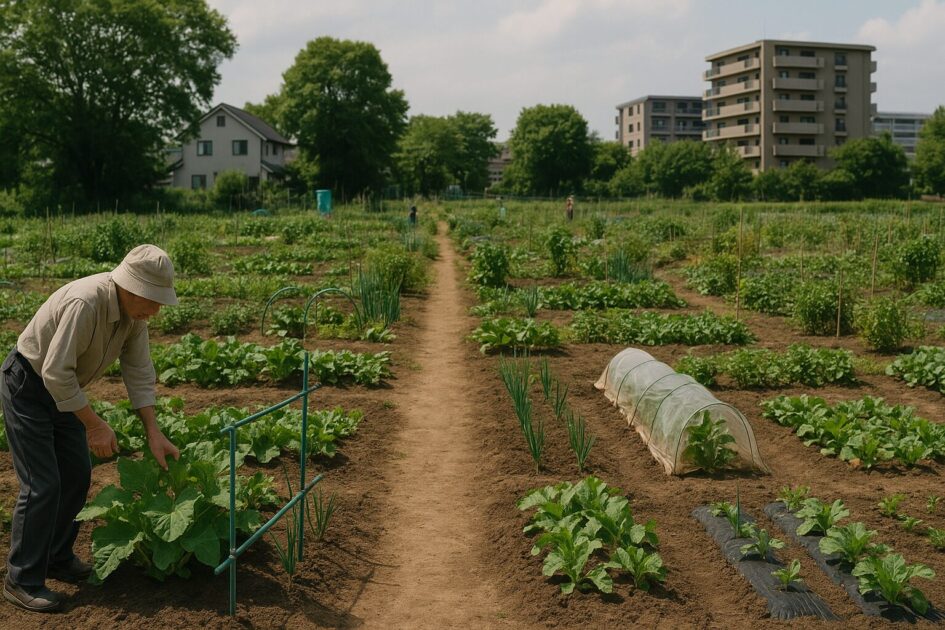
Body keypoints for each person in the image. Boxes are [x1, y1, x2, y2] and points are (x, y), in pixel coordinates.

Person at [1, 244, 180, 613]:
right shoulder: (86, 302)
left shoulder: (134, 318)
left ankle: (57, 556)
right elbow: (54, 372)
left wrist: (153, 431)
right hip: (29, 386)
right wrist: (94, 425)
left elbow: (139, 371)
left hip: (65, 391)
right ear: (130, 287)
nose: (156, 310)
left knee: (77, 474)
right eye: (152, 299)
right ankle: (22, 580)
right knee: (43, 484)